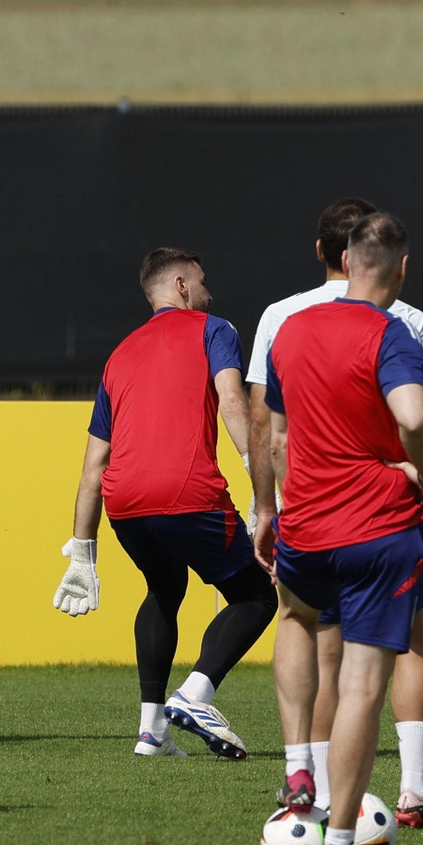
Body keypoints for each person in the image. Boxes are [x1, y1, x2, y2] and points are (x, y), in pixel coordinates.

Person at [246, 197, 423, 829]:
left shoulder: (289, 328)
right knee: (368, 680)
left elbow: (274, 433)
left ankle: (296, 766)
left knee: (295, 618)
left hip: (305, 522)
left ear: (340, 259)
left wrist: (276, 505)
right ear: (401, 267)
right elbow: (418, 416)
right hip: (376, 526)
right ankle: (346, 841)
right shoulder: (395, 329)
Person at [54, 248, 276, 759]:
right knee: (257, 594)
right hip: (187, 493)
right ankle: (196, 695)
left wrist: (83, 552)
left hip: (124, 503)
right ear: (180, 285)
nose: (209, 292)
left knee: (164, 586)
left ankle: (151, 732)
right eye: (202, 281)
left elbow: (94, 468)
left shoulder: (120, 353)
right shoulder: (213, 329)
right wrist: (260, 477)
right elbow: (233, 401)